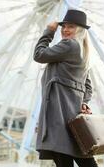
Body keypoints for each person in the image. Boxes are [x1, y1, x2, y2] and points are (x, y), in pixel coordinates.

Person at [33, 10, 98, 167]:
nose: (65, 30)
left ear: (80, 30)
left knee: (63, 159)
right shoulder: (83, 50)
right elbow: (88, 86)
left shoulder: (69, 45)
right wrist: (84, 102)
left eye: (71, 27)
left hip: (58, 113)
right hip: (74, 116)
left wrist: (49, 31)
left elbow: (39, 55)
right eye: (63, 27)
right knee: (86, 159)